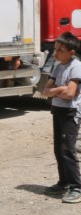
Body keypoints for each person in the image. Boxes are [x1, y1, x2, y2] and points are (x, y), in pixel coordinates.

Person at [44, 31, 81, 203]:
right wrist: (60, 89)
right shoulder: (58, 66)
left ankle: (76, 187)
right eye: (55, 49)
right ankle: (63, 182)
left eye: (60, 50)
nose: (55, 53)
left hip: (70, 113)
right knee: (58, 149)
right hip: (57, 111)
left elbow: (71, 93)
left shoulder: (76, 67)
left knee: (67, 150)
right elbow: (45, 91)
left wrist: (56, 91)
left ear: (71, 52)